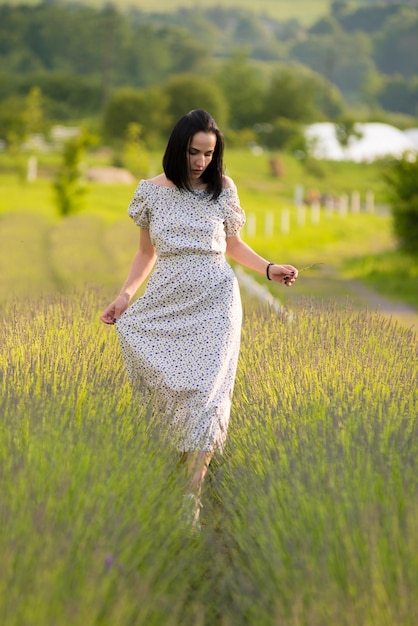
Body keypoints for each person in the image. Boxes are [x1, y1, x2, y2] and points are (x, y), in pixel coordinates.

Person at [101, 109, 298, 529]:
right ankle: (171, 475)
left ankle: (191, 497)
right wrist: (125, 296)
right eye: (194, 152)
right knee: (175, 393)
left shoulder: (222, 188)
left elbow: (233, 245)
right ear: (178, 147)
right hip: (167, 300)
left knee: (207, 397)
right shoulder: (151, 193)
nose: (201, 162)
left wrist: (269, 268)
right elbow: (144, 253)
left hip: (216, 303)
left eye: (209, 153)